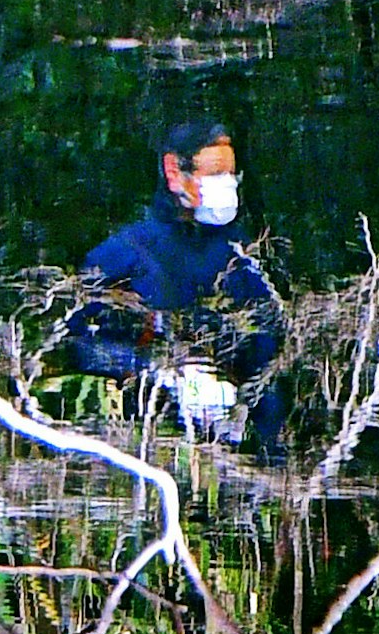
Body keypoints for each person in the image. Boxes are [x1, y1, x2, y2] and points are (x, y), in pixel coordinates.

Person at [72, 118, 286, 458]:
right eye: (214, 175)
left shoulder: (242, 252)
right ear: (174, 172)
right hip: (147, 441)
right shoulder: (124, 253)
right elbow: (78, 346)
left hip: (230, 445)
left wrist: (262, 437)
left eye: (231, 176)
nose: (226, 186)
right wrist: (162, 375)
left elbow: (268, 350)